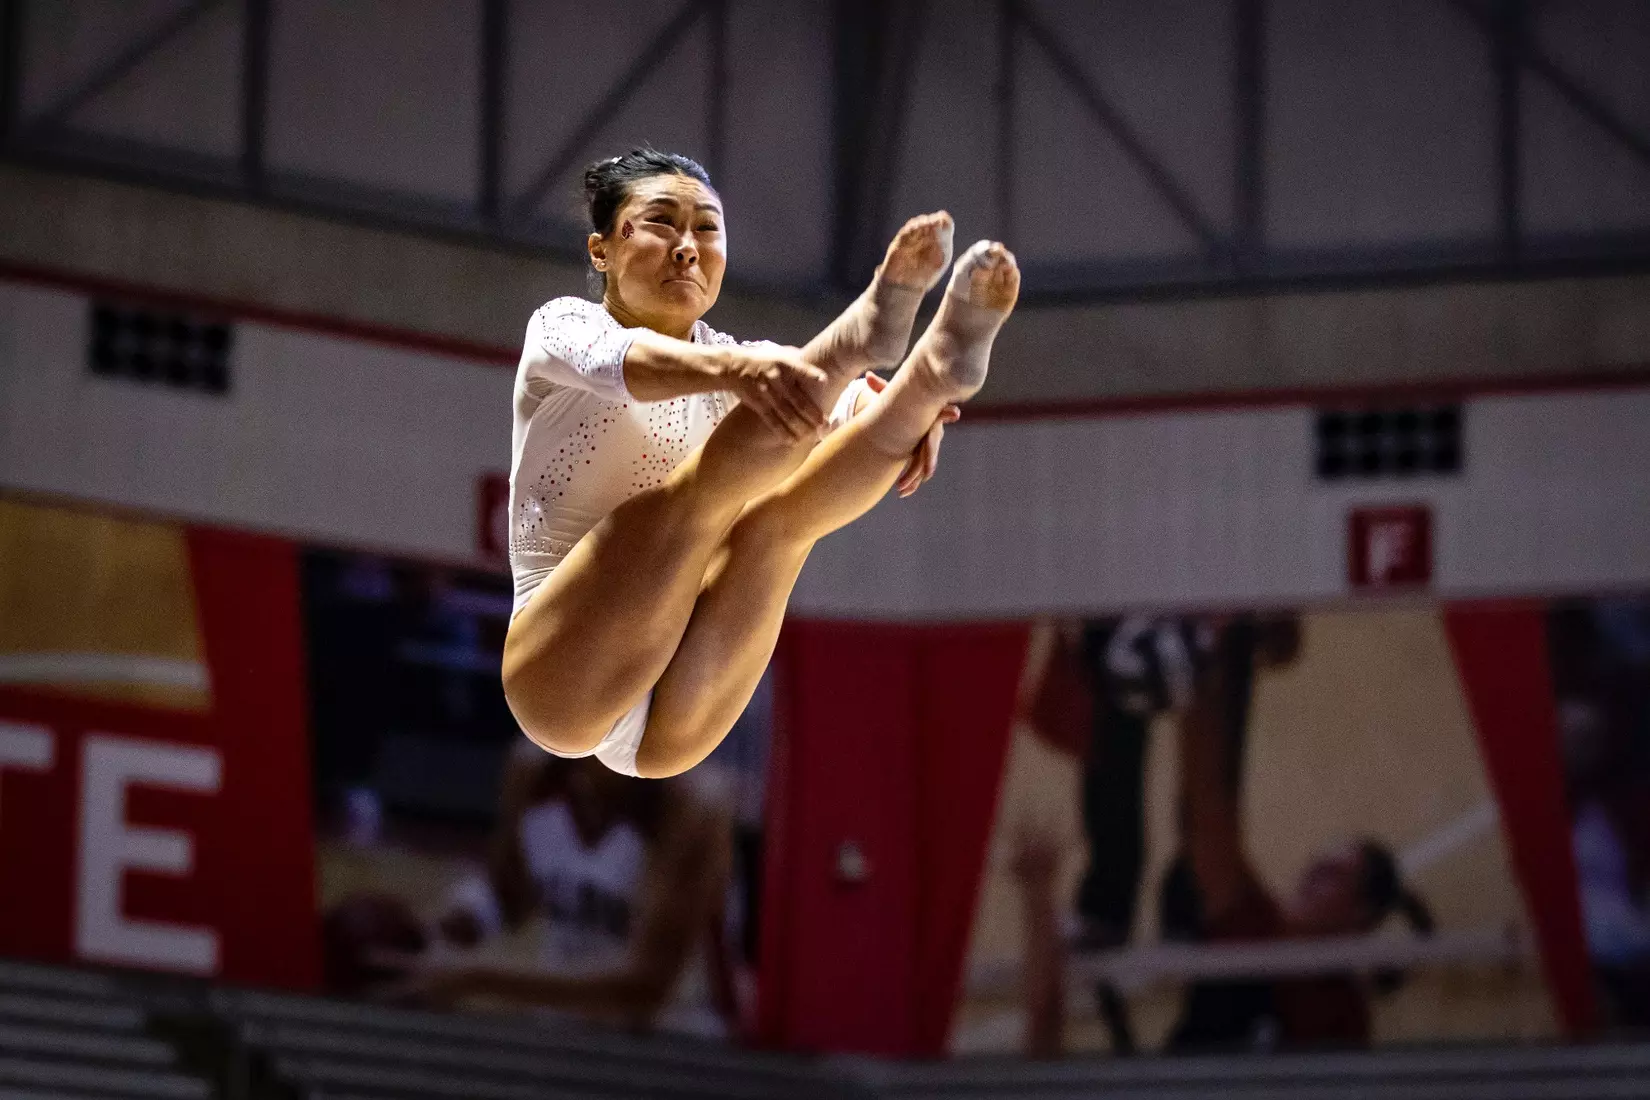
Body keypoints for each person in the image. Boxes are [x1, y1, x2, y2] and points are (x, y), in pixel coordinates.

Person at [502, 147, 1019, 778]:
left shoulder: (748, 363)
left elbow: (852, 412)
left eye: (707, 228)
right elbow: (621, 362)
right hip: (560, 682)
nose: (687, 246)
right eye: (662, 222)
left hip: (673, 724)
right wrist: (750, 372)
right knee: (699, 495)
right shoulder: (560, 326)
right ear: (601, 250)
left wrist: (914, 413)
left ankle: (938, 367)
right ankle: (859, 332)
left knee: (778, 525)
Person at [1165, 622, 1433, 1052]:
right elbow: (1204, 819)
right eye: (1315, 864)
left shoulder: (1341, 1013)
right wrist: (1205, 664)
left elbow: (1207, 819)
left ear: (1361, 916)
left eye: (1330, 875)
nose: (1309, 875)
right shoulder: (1259, 923)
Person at [402, 747, 736, 1035]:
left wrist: (475, 977)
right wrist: (438, 930)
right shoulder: (534, 768)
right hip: (559, 1030)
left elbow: (646, 989)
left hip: (675, 1044)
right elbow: (508, 891)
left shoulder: (694, 803)